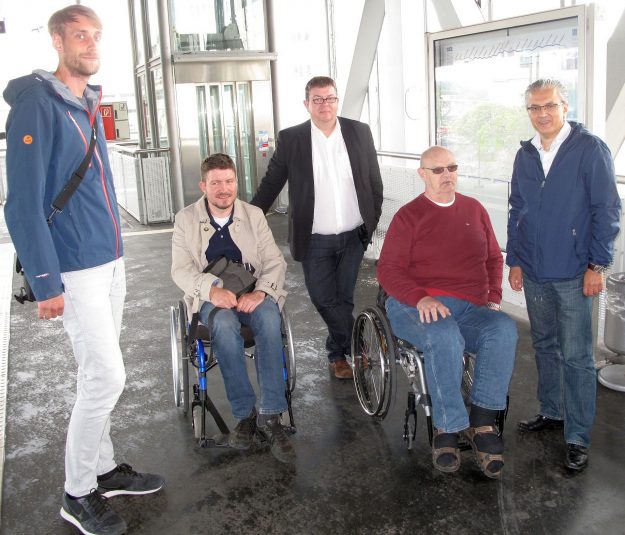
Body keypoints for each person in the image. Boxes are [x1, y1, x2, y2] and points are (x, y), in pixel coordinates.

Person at [3, 5, 164, 535]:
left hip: (109, 261)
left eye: (96, 35)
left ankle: (103, 468)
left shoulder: (85, 102)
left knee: (96, 372)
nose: (91, 44)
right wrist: (45, 280)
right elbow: (22, 203)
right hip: (75, 269)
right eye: (80, 35)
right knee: (108, 376)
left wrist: (117, 257)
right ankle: (77, 493)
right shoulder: (38, 103)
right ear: (57, 41)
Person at [377, 146, 518, 479]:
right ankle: (448, 426)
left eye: (452, 168)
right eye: (438, 170)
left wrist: (493, 298)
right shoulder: (409, 216)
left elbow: (493, 258)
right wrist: (421, 297)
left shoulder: (474, 209)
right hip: (413, 304)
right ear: (422, 174)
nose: (447, 175)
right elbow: (388, 270)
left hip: (468, 306)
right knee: (444, 335)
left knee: (503, 330)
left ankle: (482, 423)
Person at [507, 78, 621, 472]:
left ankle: (577, 436)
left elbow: (607, 211)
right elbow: (516, 208)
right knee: (544, 344)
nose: (542, 114)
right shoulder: (525, 154)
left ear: (565, 107)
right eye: (534, 108)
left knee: (577, 356)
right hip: (534, 271)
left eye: (549, 106)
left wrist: (597, 265)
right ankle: (553, 411)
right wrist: (515, 259)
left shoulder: (590, 149)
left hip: (574, 271)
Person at [251, 76, 383, 380]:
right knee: (324, 299)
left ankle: (338, 356)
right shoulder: (292, 138)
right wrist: (247, 217)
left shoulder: (359, 132)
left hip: (353, 235)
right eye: (318, 99)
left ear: (337, 100)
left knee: (344, 299)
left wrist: (371, 222)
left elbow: (374, 182)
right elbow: (271, 183)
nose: (325, 105)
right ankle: (359, 345)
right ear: (307, 103)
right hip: (314, 239)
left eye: (330, 98)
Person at [171, 153, 295, 464]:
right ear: (203, 185)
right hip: (211, 298)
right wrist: (212, 291)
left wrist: (262, 292)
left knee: (269, 318)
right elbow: (180, 270)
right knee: (224, 326)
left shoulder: (254, 215)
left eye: (229, 181)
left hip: (251, 292)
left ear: (237, 182)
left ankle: (271, 414)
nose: (224, 189)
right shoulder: (186, 219)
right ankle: (245, 415)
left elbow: (274, 261)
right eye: (216, 183)